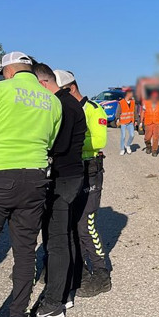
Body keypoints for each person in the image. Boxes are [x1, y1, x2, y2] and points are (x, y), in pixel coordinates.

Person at [0, 52, 62, 317]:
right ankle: (17, 313)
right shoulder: (52, 101)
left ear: (8, 71)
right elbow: (50, 141)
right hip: (35, 178)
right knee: (25, 251)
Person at [32, 64, 86, 317]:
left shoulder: (62, 105)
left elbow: (59, 144)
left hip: (64, 178)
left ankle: (54, 303)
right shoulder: (67, 102)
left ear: (43, 84)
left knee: (56, 240)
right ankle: (68, 290)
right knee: (66, 234)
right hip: (71, 175)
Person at [53, 70, 112, 298]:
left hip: (90, 167)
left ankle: (101, 271)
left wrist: (70, 141)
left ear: (71, 88)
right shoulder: (62, 107)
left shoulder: (93, 109)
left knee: (86, 224)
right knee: (66, 222)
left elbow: (99, 140)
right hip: (69, 169)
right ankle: (75, 269)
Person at [141, 91, 159, 157]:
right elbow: (142, 112)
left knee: (156, 138)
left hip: (157, 123)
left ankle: (154, 150)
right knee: (147, 138)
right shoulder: (146, 103)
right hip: (148, 122)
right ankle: (148, 147)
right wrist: (141, 122)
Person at [115, 89, 135, 155]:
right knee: (123, 136)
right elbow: (118, 111)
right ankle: (122, 149)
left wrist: (137, 120)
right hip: (123, 122)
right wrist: (117, 119)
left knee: (132, 135)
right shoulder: (121, 102)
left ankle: (128, 145)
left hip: (130, 122)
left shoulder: (133, 102)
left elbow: (134, 112)